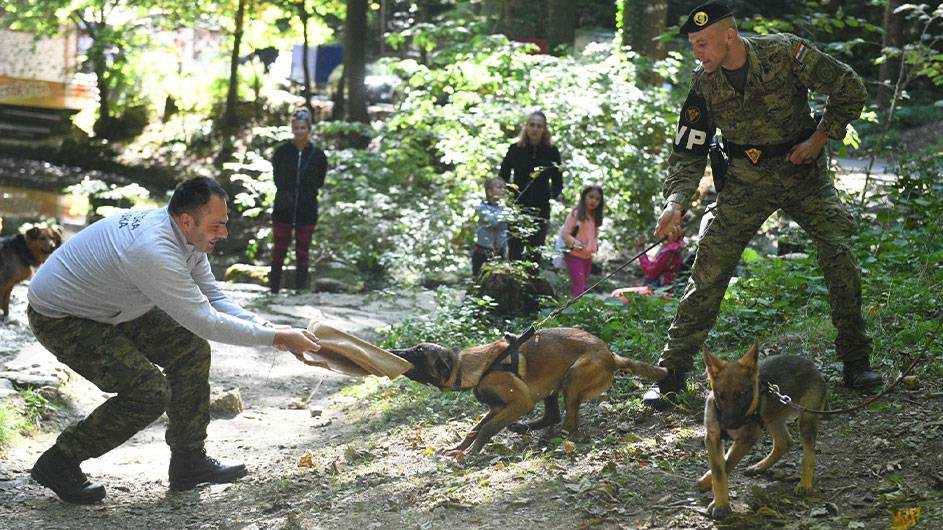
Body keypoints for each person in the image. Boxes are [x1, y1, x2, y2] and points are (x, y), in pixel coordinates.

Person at [643, 1, 882, 410]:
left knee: (838, 252)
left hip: (801, 174)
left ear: (729, 36)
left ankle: (856, 360)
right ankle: (671, 373)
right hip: (744, 183)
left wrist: (818, 140)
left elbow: (849, 87)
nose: (697, 53)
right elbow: (688, 151)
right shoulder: (704, 83)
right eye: (693, 45)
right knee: (708, 270)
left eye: (703, 43)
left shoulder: (784, 52)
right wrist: (675, 202)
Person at [26, 177, 322, 504]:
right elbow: (205, 320)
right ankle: (59, 461)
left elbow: (213, 297)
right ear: (186, 220)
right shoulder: (153, 249)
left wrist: (270, 329)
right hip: (62, 317)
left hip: (112, 305)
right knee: (148, 392)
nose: (223, 234)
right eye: (217, 225)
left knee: (190, 350)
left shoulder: (187, 238)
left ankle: (188, 461)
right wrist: (277, 337)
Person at [270, 109, 328, 293]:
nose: (299, 131)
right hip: (283, 207)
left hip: (307, 208)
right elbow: (277, 179)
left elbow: (319, 181)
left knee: (303, 250)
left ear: (309, 129)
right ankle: (273, 289)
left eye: (303, 128)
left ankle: (300, 290)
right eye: (296, 127)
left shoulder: (318, 155)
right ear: (291, 128)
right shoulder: (282, 152)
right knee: (279, 249)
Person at [499, 110, 564, 262]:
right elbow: (503, 175)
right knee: (515, 247)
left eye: (539, 126)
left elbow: (557, 179)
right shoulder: (515, 149)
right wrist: (506, 196)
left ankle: (533, 283)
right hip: (517, 204)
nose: (535, 129)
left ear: (544, 129)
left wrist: (555, 195)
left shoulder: (552, 151)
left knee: (536, 249)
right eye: (532, 125)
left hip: (541, 207)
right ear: (526, 127)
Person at [559, 185, 603, 297]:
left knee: (581, 286)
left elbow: (592, 235)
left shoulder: (594, 217)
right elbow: (565, 233)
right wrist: (578, 245)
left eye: (597, 199)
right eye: (591, 197)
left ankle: (573, 309)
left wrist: (594, 246)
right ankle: (572, 311)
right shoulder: (576, 213)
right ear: (584, 197)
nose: (594, 201)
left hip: (587, 257)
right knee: (578, 285)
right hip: (574, 255)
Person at [472, 177, 509, 276]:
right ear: (489, 191)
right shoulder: (483, 208)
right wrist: (504, 212)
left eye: (504, 188)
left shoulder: (506, 209)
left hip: (499, 252)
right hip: (482, 253)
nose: (503, 191)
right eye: (499, 187)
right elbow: (494, 222)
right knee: (479, 281)